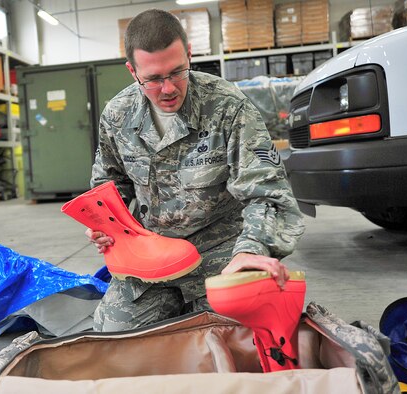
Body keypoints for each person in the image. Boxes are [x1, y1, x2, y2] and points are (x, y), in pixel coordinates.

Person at [86, 8, 305, 332]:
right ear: (133, 71)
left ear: (189, 54)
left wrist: (252, 249)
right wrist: (106, 224)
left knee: (242, 340)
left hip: (223, 252)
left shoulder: (229, 107)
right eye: (154, 79)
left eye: (177, 72)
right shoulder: (118, 115)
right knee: (114, 338)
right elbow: (109, 182)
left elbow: (269, 192)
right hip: (154, 254)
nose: (168, 88)